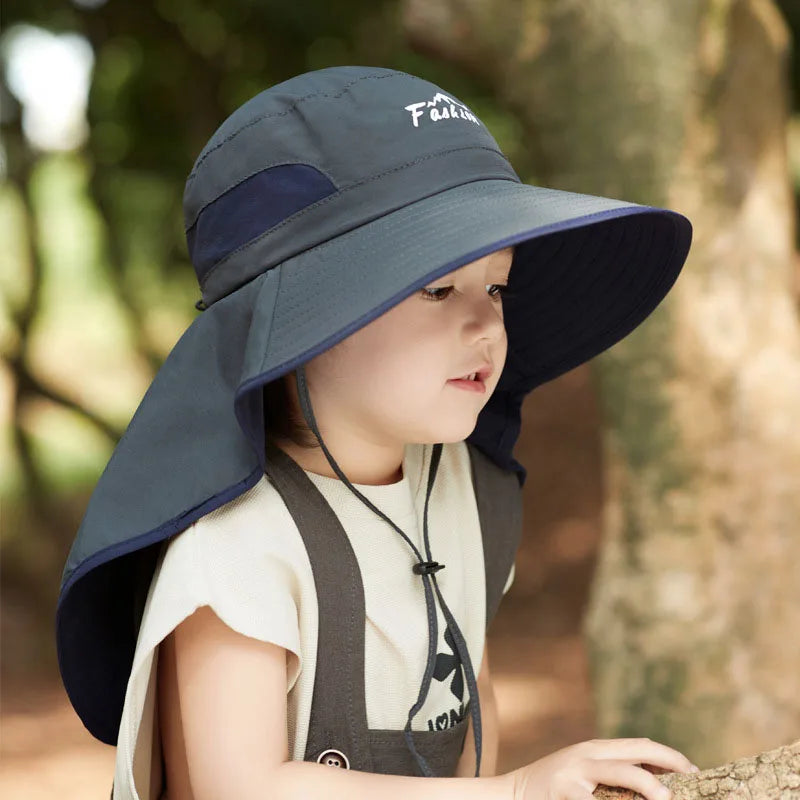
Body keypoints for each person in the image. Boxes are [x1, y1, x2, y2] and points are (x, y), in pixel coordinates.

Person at [55, 66, 700, 800]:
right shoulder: (237, 543)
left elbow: (466, 709)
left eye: (496, 286)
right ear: (305, 320)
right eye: (435, 287)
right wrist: (513, 796)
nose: (486, 323)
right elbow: (242, 787)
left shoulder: (463, 488)